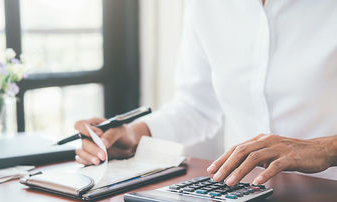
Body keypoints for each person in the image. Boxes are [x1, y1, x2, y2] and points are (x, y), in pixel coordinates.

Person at [74, 0, 337, 186]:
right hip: (243, 198)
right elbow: (197, 106)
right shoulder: (206, 4)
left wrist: (326, 149)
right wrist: (134, 134)